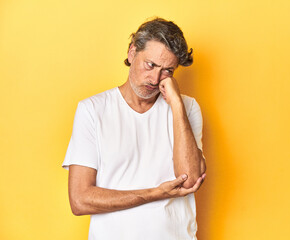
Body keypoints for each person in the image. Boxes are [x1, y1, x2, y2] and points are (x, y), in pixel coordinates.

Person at [62, 17, 206, 240]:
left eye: (168, 71)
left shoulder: (188, 107)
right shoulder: (92, 110)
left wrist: (176, 105)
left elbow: (188, 180)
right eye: (151, 65)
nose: (155, 78)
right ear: (132, 53)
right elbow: (80, 200)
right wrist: (155, 193)